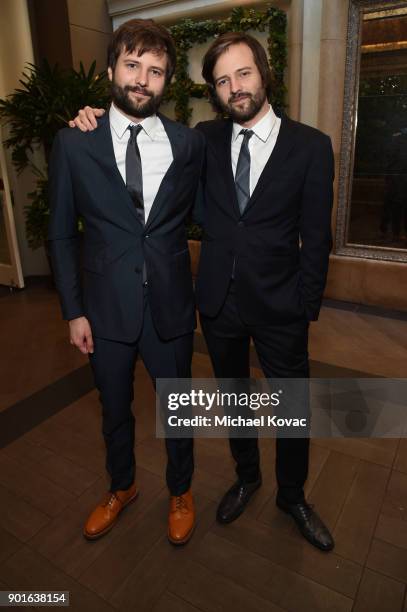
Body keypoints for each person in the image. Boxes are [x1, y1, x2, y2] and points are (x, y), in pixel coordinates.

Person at [70, 31, 335, 551]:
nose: (235, 87)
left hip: (282, 306)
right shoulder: (203, 141)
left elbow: (317, 237)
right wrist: (91, 119)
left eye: (243, 73)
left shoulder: (311, 146)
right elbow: (146, 167)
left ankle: (292, 495)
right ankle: (246, 477)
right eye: (222, 80)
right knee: (234, 398)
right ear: (213, 92)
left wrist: (305, 304)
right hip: (217, 304)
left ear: (264, 74)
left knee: (292, 404)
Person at [49, 18, 204, 545]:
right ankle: (123, 487)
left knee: (177, 410)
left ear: (167, 82)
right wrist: (73, 310)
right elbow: (62, 235)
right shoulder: (75, 143)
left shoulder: (188, 145)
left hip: (170, 308)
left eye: (155, 71)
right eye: (133, 65)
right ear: (114, 68)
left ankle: (181, 491)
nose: (142, 79)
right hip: (104, 311)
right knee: (114, 410)